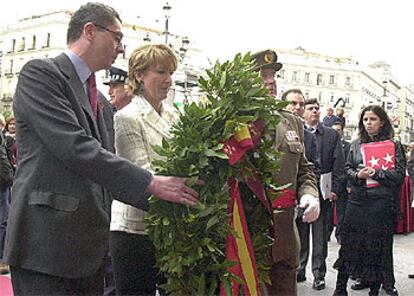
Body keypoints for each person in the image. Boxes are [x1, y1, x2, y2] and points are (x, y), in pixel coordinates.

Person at [4, 3, 200, 295]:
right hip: (45, 247)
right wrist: (152, 183)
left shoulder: (104, 106)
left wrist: (184, 196)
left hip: (89, 253)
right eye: (117, 38)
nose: (121, 49)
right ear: (89, 31)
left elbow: (107, 174)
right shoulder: (42, 75)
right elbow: (74, 147)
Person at [109, 44, 179, 295]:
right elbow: (142, 176)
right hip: (134, 231)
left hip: (170, 229)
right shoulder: (127, 117)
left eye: (171, 72)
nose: (169, 80)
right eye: (161, 72)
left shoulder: (175, 116)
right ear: (139, 75)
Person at [251, 50, 319, 296]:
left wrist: (310, 194)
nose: (270, 81)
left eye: (273, 75)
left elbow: (304, 169)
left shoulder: (292, 122)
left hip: (284, 236)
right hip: (247, 237)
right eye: (262, 75)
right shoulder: (234, 121)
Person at [333, 105, 405, 296]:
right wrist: (359, 174)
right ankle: (340, 289)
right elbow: (347, 169)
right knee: (349, 245)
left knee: (376, 248)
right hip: (356, 202)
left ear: (382, 122)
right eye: (365, 120)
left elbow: (399, 175)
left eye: (373, 119)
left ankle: (375, 290)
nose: (368, 123)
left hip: (380, 204)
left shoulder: (394, 144)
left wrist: (377, 173)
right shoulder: (356, 144)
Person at [300, 98, 345, 291]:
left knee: (320, 238)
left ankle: (319, 274)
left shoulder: (331, 135)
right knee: (300, 234)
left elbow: (339, 163)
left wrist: (335, 189)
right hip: (301, 192)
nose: (315, 111)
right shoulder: (297, 133)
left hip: (323, 192)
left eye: (317, 108)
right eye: (310, 108)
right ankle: (300, 269)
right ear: (303, 112)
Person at [331, 121, 351, 243]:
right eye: (334, 130)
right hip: (330, 182)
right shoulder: (328, 143)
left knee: (341, 211)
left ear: (342, 131)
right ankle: (328, 231)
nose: (336, 132)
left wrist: (349, 184)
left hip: (343, 183)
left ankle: (340, 234)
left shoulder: (348, 146)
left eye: (338, 130)